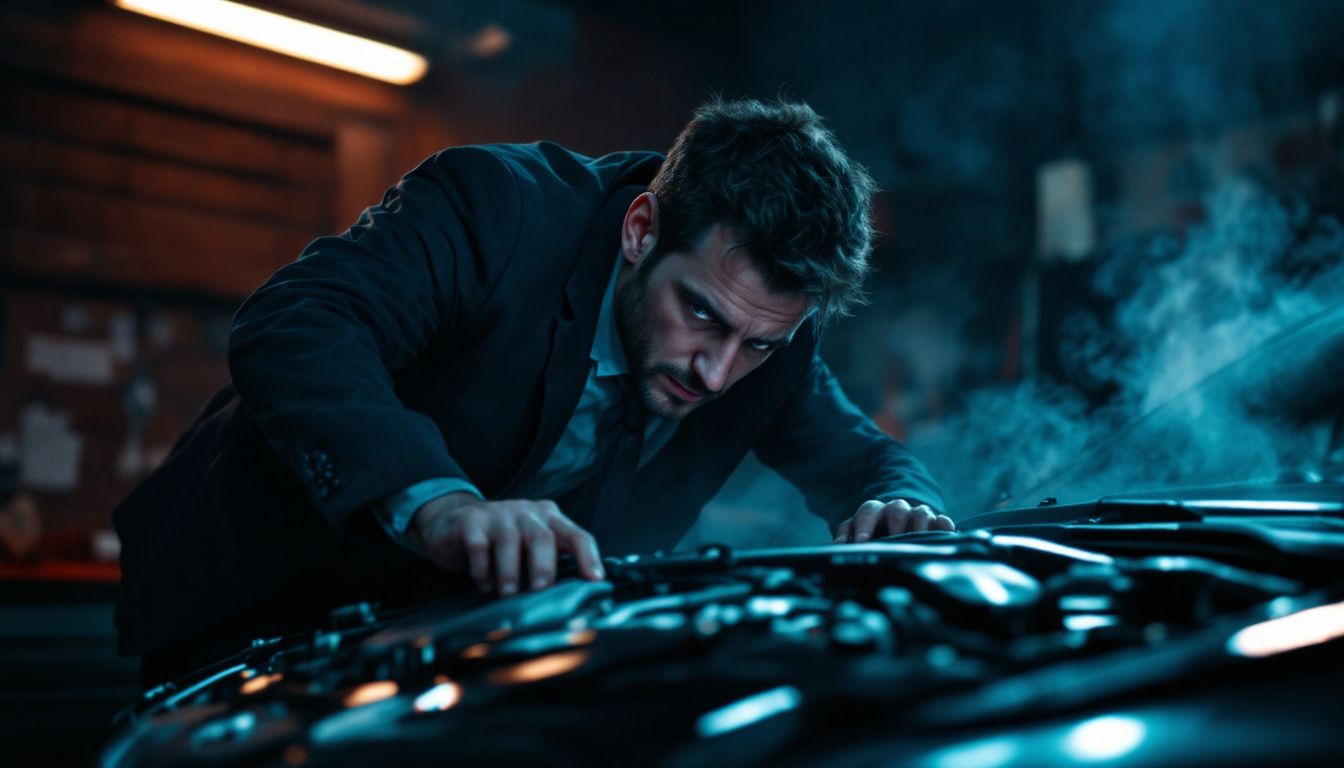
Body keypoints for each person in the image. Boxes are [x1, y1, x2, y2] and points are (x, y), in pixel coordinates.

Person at [114, 98, 950, 685]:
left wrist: (905, 506)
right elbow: (302, 321)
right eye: (698, 312)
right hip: (256, 609)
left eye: (758, 344)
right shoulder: (497, 208)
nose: (716, 372)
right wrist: (442, 504)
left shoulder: (769, 341)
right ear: (641, 229)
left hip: (442, 658)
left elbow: (867, 460)